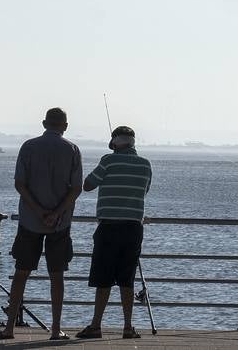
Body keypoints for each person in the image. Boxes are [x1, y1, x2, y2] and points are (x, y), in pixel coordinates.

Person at [0, 107, 82, 341]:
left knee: (21, 273)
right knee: (57, 276)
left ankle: (9, 328)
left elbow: (20, 184)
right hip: (60, 223)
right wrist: (56, 213)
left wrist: (39, 211)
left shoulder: (28, 146)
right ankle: (55, 330)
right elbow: (76, 188)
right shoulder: (73, 149)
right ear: (65, 126)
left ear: (44, 123)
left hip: (29, 221)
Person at [77, 125, 153, 339]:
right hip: (133, 228)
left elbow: (88, 185)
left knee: (103, 278)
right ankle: (128, 327)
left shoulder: (108, 160)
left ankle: (96, 326)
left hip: (109, 227)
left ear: (114, 142)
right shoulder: (145, 164)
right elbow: (144, 191)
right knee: (126, 279)